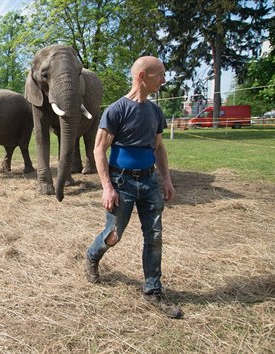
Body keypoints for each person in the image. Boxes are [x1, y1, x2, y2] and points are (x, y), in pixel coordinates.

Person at [85, 56, 182, 319]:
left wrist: (167, 179)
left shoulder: (155, 112)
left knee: (155, 237)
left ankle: (153, 290)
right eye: (159, 75)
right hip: (122, 183)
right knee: (113, 234)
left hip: (149, 182)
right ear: (142, 76)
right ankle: (92, 256)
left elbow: (159, 148)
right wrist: (107, 187)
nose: (163, 80)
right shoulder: (116, 110)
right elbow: (99, 149)